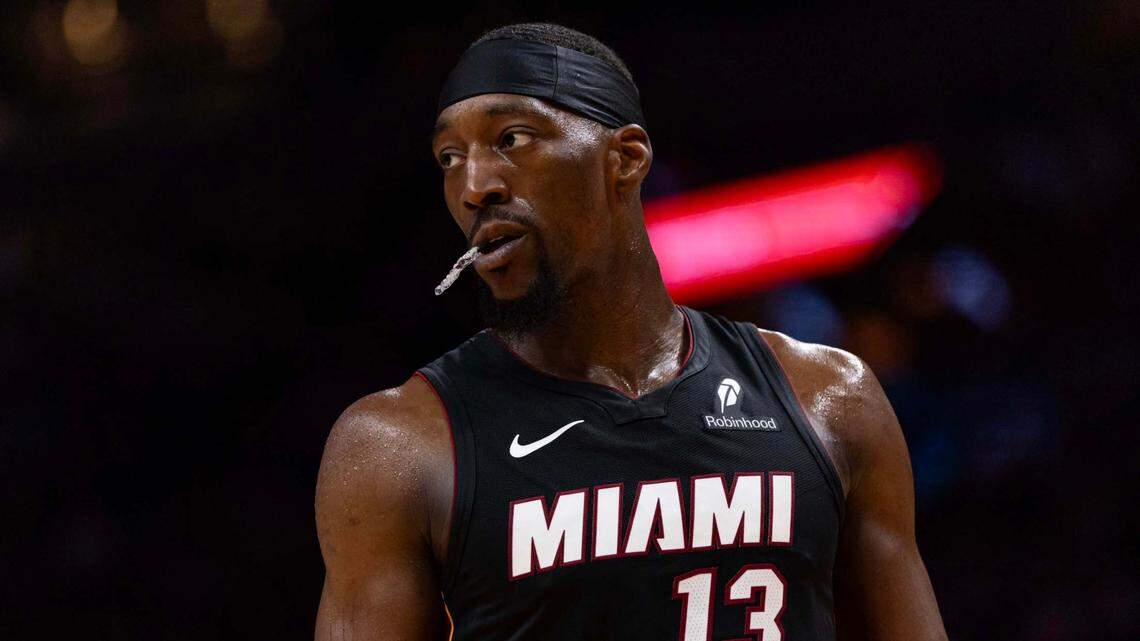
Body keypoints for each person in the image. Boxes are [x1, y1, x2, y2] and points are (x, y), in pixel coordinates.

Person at [314, 22, 948, 641]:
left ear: (625, 159)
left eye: (511, 138)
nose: (475, 185)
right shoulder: (396, 447)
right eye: (451, 159)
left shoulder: (829, 398)